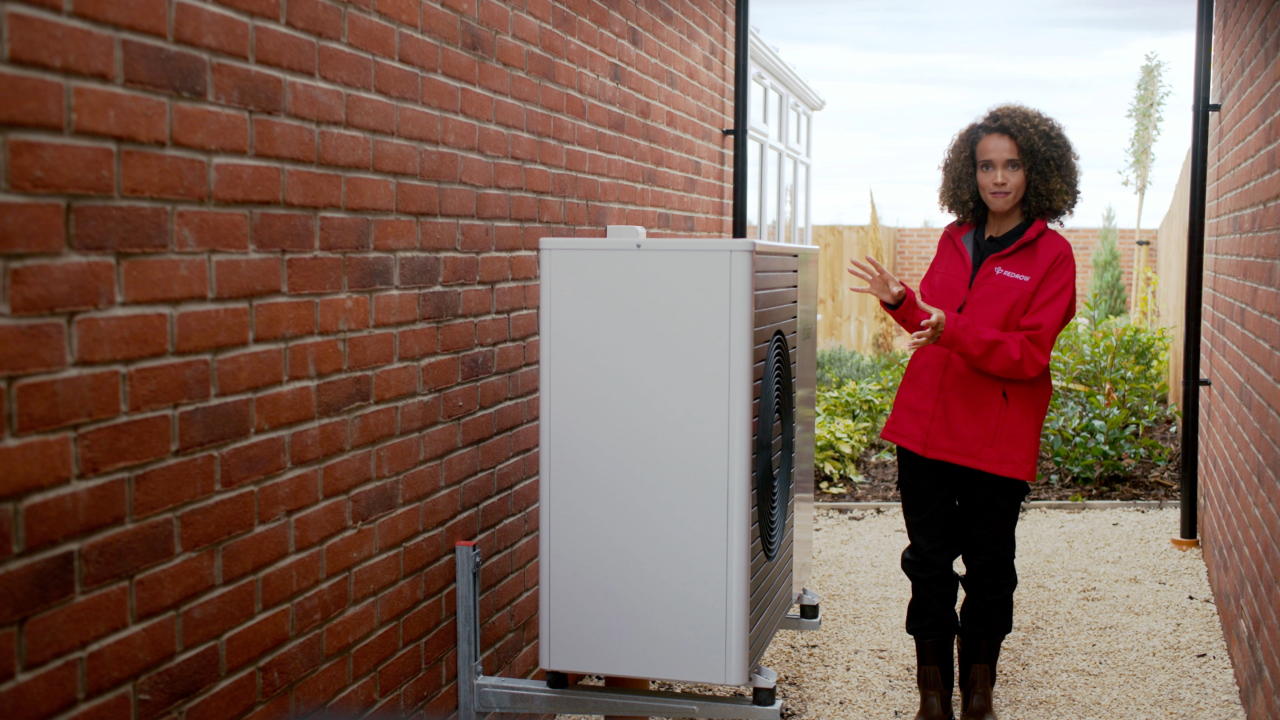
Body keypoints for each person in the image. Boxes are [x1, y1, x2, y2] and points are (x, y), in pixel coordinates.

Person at [847, 104, 1080, 720]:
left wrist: (951, 328)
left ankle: (979, 694)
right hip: (923, 425)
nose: (997, 178)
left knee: (989, 567)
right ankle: (932, 698)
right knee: (926, 561)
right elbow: (934, 324)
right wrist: (901, 302)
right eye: (985, 166)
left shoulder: (1052, 256)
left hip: (994, 438)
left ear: (1037, 172)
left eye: (1011, 165)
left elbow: (1028, 354)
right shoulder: (954, 238)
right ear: (968, 173)